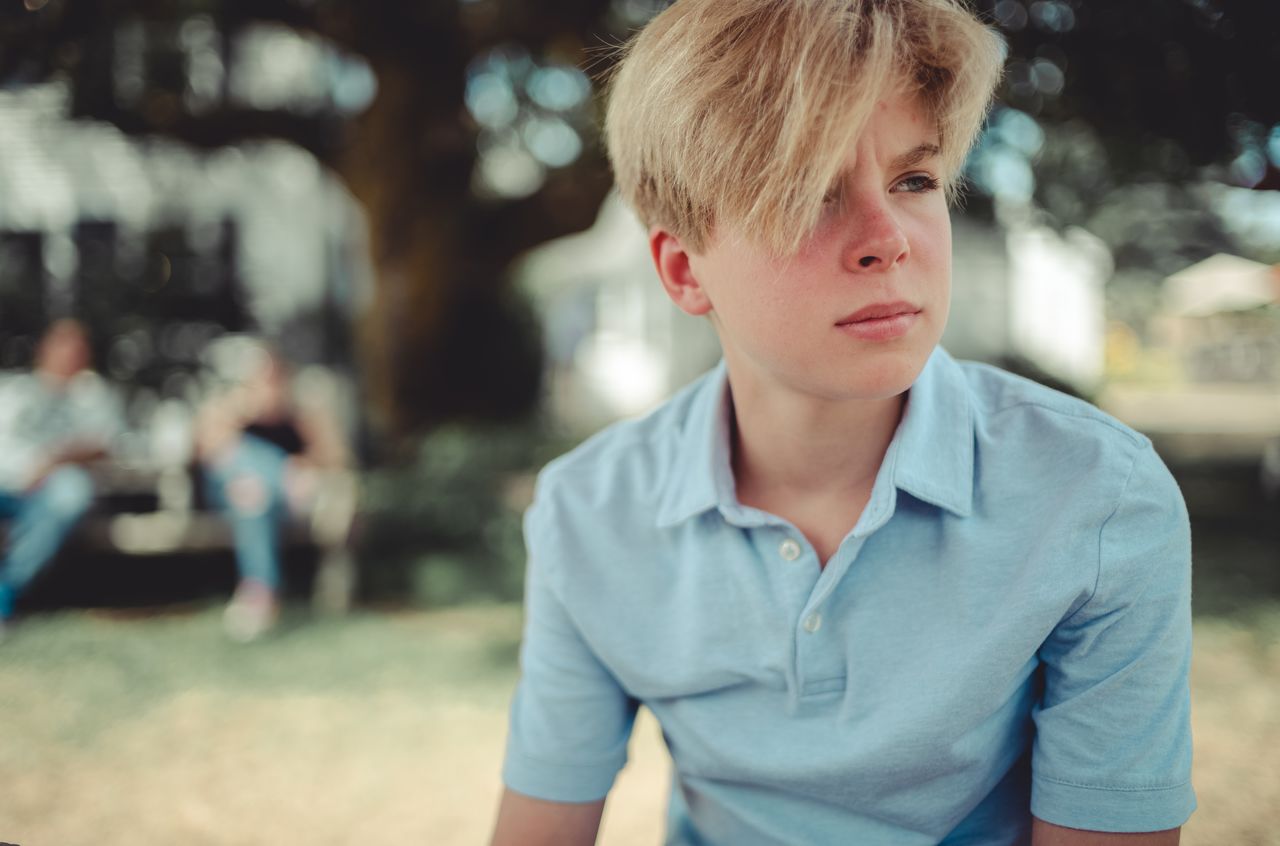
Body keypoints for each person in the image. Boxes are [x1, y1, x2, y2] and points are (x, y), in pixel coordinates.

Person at [491, 2, 1194, 845]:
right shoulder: (588, 514)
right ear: (684, 271)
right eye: (812, 191)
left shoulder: (1098, 500)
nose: (887, 240)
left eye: (914, 181)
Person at [194, 342, 351, 641]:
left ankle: (260, 595)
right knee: (238, 461)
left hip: (270, 505)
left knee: (254, 499)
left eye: (276, 379)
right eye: (262, 379)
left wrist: (303, 457)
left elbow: (336, 457)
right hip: (230, 497)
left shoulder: (299, 414)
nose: (270, 386)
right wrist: (284, 471)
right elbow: (208, 449)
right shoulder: (232, 410)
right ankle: (281, 479)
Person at [0, 320, 124, 637]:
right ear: (44, 350)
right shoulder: (14, 389)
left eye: (78, 348)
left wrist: (52, 461)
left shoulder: (92, 394)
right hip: (6, 483)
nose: (70, 355)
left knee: (71, 491)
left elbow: (105, 444)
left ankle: (4, 595)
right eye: (62, 346)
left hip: (50, 493)